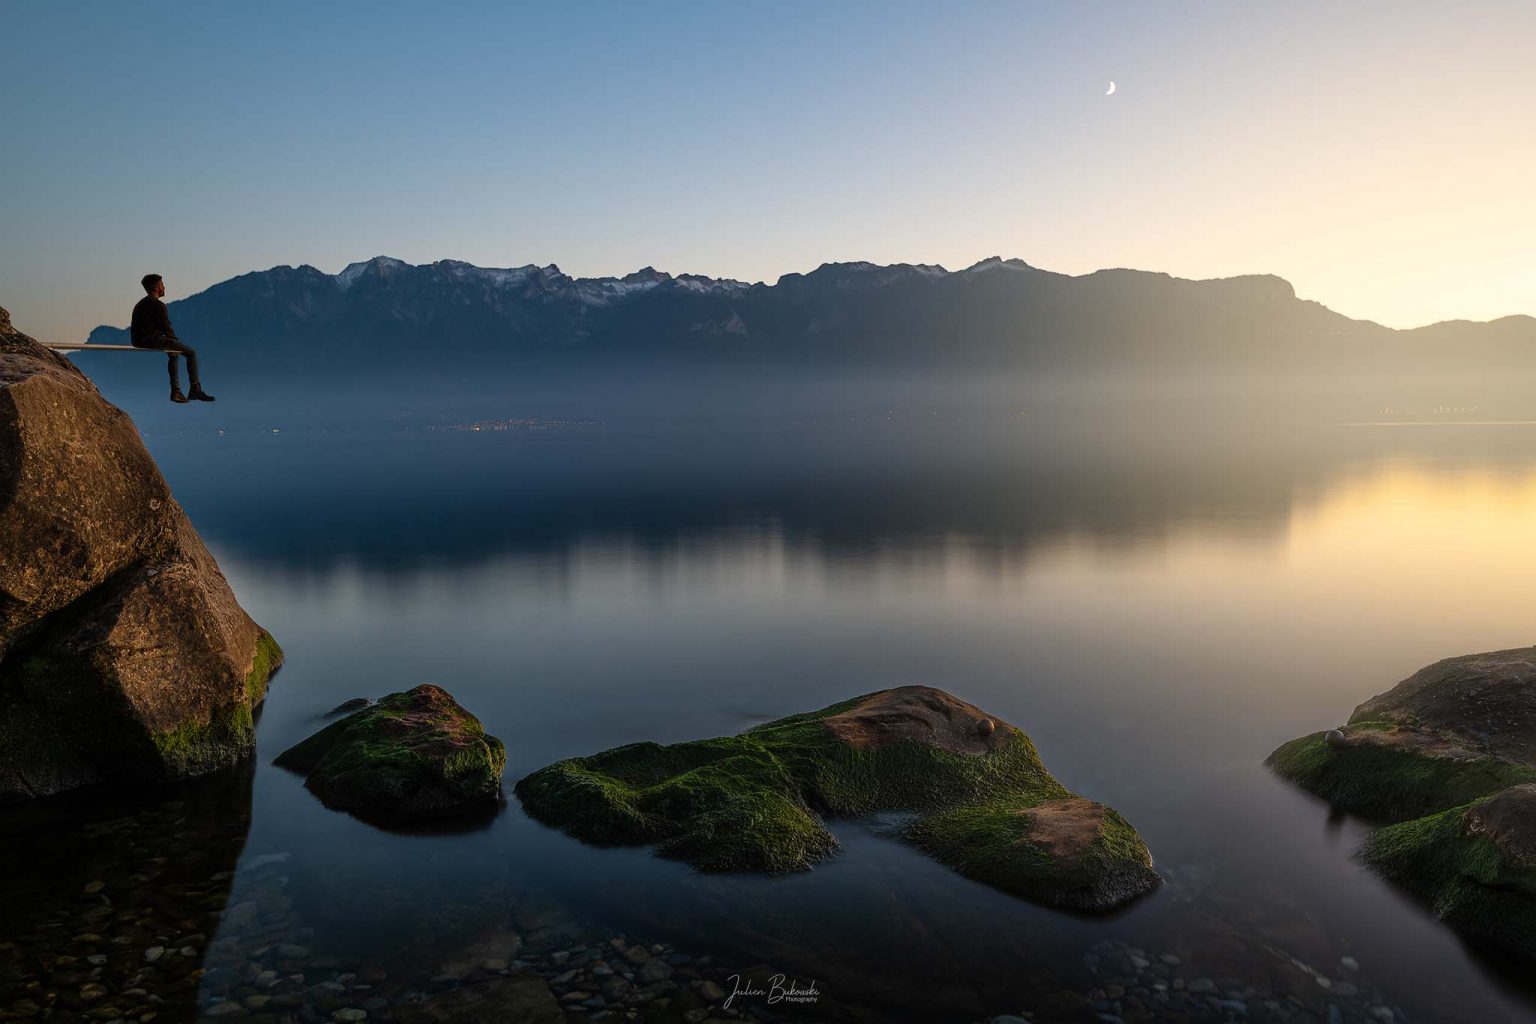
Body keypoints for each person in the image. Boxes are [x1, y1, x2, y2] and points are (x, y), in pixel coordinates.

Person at [131, 274, 214, 403]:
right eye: (161, 284)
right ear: (155, 287)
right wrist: (174, 341)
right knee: (191, 353)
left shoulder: (140, 304)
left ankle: (176, 391)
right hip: (150, 340)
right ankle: (194, 389)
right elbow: (166, 328)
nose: (164, 286)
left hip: (138, 340)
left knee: (173, 352)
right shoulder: (158, 305)